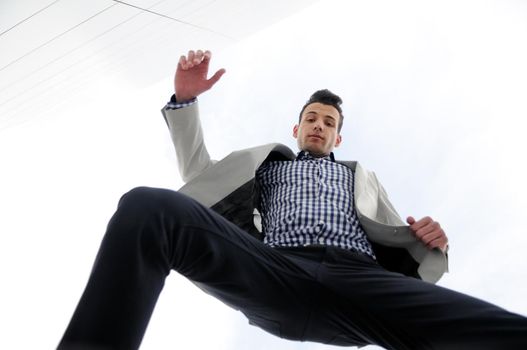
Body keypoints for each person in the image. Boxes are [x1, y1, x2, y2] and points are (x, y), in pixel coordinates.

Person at [58, 50, 527, 350]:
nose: (319, 125)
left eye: (329, 122)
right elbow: (199, 174)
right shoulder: (267, 165)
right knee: (148, 208)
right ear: (297, 127)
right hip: (275, 269)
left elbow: (400, 237)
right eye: (312, 118)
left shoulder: (361, 177)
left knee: (498, 332)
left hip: (360, 281)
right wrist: (184, 101)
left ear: (338, 137)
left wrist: (432, 239)